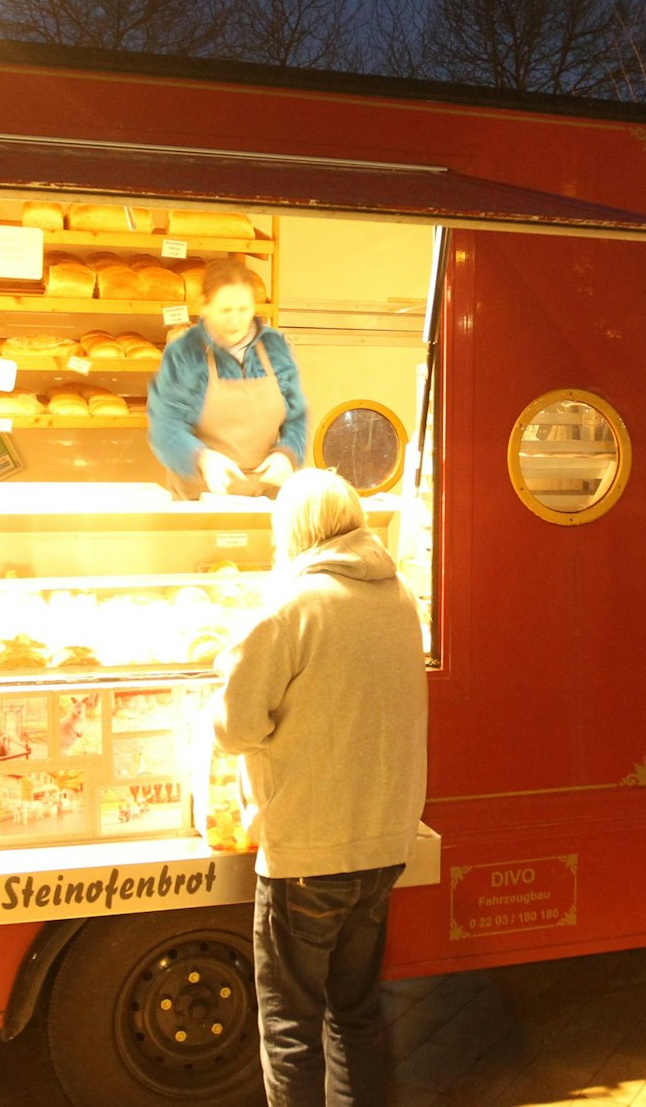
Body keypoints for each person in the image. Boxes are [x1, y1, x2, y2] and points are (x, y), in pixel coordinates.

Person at [212, 470, 428, 1107]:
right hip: (384, 845)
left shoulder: (291, 607)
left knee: (289, 1024)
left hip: (309, 851)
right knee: (355, 1013)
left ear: (294, 530)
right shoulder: (401, 598)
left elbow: (235, 728)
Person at [147, 258, 309, 498]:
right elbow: (164, 425)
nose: (235, 321)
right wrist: (201, 458)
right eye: (225, 310)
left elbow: (296, 417)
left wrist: (287, 454)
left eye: (243, 309)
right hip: (201, 495)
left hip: (266, 497)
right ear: (204, 306)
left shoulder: (274, 346)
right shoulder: (185, 352)